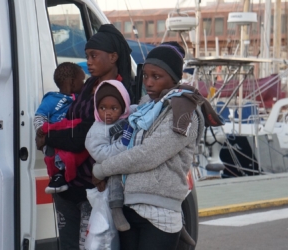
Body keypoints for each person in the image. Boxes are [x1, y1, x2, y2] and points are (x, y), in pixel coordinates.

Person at [92, 41, 224, 250]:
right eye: (145, 76)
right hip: (131, 207)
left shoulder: (184, 111)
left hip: (159, 214)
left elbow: (148, 154)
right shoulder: (148, 107)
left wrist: (102, 169)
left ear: (174, 77)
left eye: (156, 77)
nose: (148, 83)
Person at [35, 24, 132, 250]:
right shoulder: (88, 84)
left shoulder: (115, 91)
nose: (88, 61)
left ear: (113, 56)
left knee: (90, 245)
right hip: (70, 186)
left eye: (94, 56)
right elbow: (70, 120)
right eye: (87, 55)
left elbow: (82, 136)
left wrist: (48, 137)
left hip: (94, 187)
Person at [85, 80, 135, 232]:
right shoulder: (97, 130)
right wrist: (123, 144)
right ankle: (116, 210)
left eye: (114, 108)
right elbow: (101, 154)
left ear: (123, 107)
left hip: (133, 165)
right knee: (115, 178)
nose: (107, 112)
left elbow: (143, 108)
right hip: (113, 167)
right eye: (102, 108)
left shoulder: (129, 115)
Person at [34, 62, 88, 193]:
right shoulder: (52, 99)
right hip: (53, 137)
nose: (84, 83)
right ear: (72, 83)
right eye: (82, 80)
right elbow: (39, 116)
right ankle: (58, 176)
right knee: (53, 155)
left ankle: (66, 176)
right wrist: (41, 131)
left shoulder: (81, 99)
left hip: (69, 137)